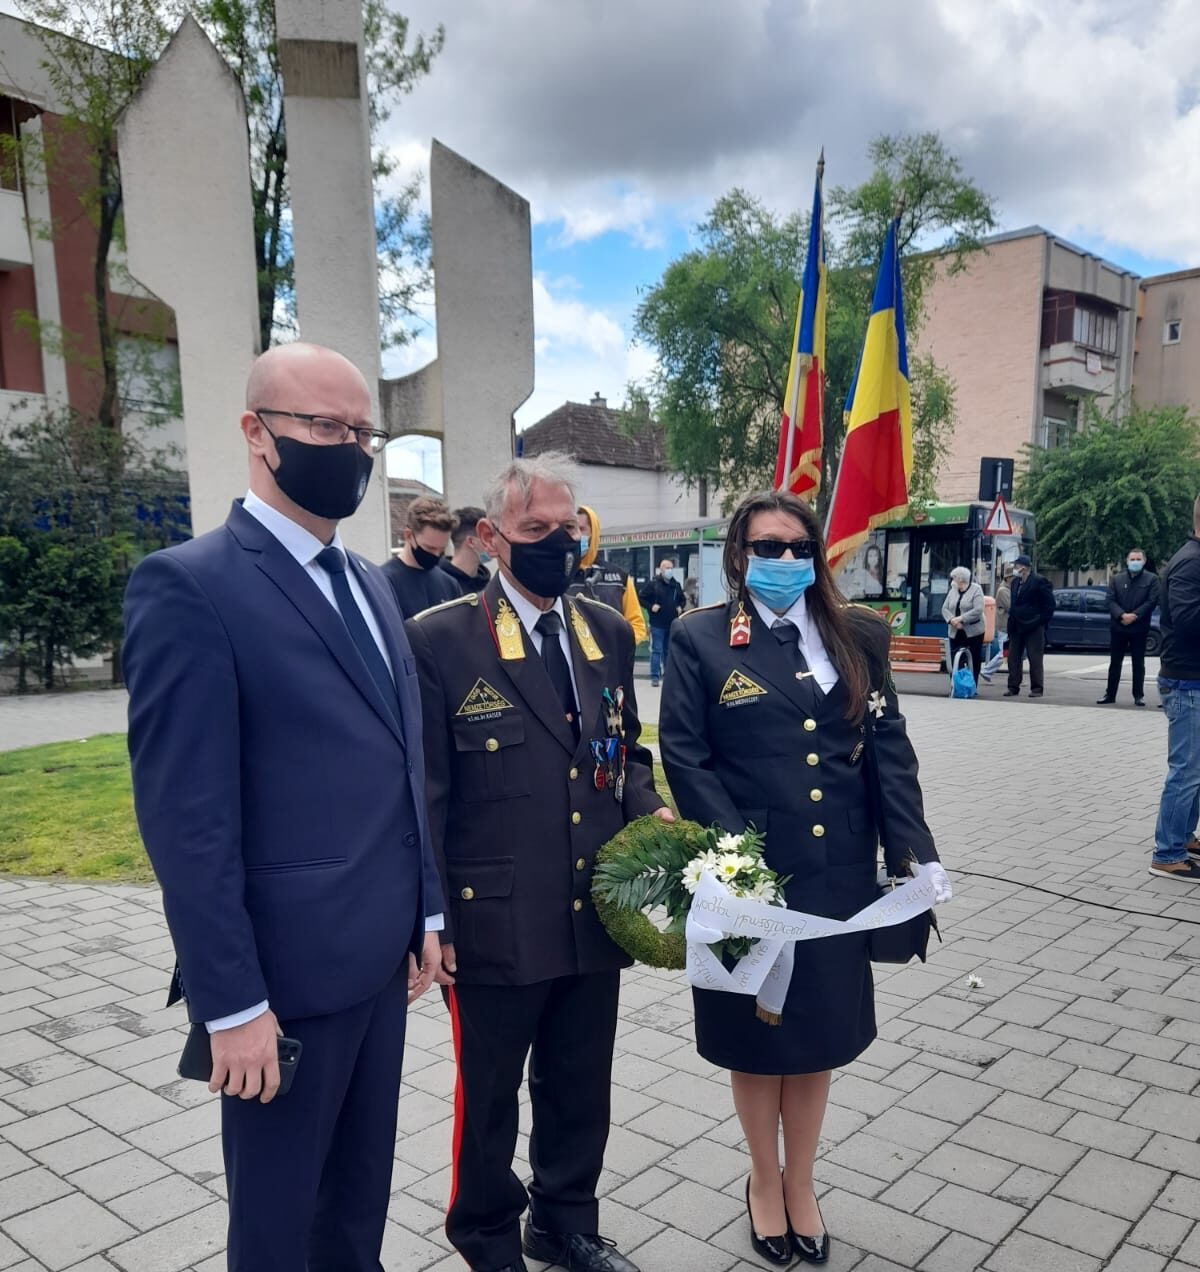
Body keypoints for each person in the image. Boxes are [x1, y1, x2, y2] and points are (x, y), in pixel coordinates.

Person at [122, 343, 445, 1270]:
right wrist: (231, 1006)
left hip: (382, 964)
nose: (347, 446)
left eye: (360, 430)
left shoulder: (372, 588)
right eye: (323, 426)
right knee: (276, 1230)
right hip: (283, 987)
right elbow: (189, 826)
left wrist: (425, 906)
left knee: (355, 1213)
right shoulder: (191, 586)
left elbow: (403, 761)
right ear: (255, 433)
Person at [659, 489, 951, 1268]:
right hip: (748, 877)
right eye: (767, 546)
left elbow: (891, 751)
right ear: (738, 554)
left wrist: (914, 856)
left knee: (815, 1036)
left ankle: (803, 1184)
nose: (784, 560)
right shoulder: (701, 639)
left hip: (837, 879)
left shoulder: (856, 634)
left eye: (797, 547)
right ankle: (763, 1181)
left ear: (816, 554)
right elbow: (685, 756)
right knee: (758, 1039)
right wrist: (738, 867)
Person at [406, 453, 671, 1272]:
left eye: (568, 527)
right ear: (489, 538)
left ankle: (564, 1220)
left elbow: (620, 749)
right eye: (534, 530)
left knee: (579, 1083)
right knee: (488, 1099)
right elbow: (424, 796)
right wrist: (431, 915)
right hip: (494, 915)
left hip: (593, 905)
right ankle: (486, 1234)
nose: (557, 543)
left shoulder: (608, 629)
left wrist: (649, 806)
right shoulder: (441, 640)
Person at [1150, 498, 1200, 882]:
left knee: (1195, 770)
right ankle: (1167, 854)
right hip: (1186, 681)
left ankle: (1184, 837)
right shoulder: (1190, 562)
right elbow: (1187, 620)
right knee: (1185, 771)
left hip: (1192, 679)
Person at [567, 504, 647, 642]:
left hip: (611, 659)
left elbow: (637, 626)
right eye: (572, 529)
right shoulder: (559, 576)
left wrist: (617, 649)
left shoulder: (620, 578)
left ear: (594, 532)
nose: (578, 535)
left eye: (582, 529)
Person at [381, 495, 461, 617]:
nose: (436, 555)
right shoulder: (384, 582)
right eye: (430, 548)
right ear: (408, 536)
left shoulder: (449, 584)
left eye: (442, 549)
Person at [1098, 548, 1160, 706]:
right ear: (1127, 561)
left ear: (1144, 561)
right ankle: (1110, 694)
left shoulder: (1151, 579)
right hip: (1119, 627)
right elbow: (1110, 600)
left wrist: (1135, 616)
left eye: (1138, 559)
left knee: (1138, 663)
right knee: (1115, 662)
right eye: (1132, 559)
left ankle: (1138, 695)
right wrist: (1121, 615)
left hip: (1139, 627)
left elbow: (1152, 601)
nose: (1135, 562)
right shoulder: (1117, 579)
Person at [1003, 554, 1056, 698]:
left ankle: (1037, 688)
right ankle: (1013, 686)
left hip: (1033, 626)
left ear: (1024, 568)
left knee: (1035, 658)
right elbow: (1014, 604)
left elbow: (1050, 604)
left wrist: (1041, 620)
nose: (1014, 569)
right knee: (1013, 657)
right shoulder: (1015, 582)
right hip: (1016, 626)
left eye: (1016, 566)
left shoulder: (1038, 581)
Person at [639, 557, 685, 686]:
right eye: (667, 568)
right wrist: (651, 606)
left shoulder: (675, 585)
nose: (669, 570)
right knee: (657, 650)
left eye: (671, 568)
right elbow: (641, 598)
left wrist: (680, 606)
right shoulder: (654, 584)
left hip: (672, 623)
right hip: (657, 624)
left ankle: (668, 675)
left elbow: (682, 599)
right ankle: (654, 677)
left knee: (669, 651)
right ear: (661, 569)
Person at [942, 566, 985, 684]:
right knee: (955, 658)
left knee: (974, 659)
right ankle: (957, 684)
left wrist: (961, 619)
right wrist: (952, 620)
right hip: (955, 631)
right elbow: (944, 608)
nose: (952, 580)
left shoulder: (976, 589)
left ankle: (972, 685)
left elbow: (978, 610)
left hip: (973, 632)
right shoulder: (953, 590)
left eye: (954, 578)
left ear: (961, 579)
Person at [440, 505, 494, 596]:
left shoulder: (488, 586)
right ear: (471, 541)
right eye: (487, 537)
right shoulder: (440, 584)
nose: (494, 542)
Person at [980, 564, 1013, 684]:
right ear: (1008, 578)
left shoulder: (1007, 589)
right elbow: (1011, 606)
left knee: (1009, 653)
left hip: (1007, 626)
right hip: (1004, 627)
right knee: (1003, 653)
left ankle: (1014, 677)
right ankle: (986, 671)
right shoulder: (1003, 591)